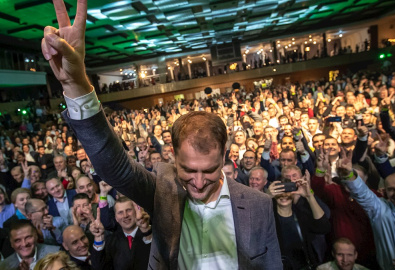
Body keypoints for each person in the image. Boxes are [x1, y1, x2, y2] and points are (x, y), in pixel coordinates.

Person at [42, 1, 282, 268]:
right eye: (188, 170)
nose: (199, 182)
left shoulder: (259, 206)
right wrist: (75, 83)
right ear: (174, 155)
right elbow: (112, 164)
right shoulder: (163, 190)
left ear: (224, 154)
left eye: (209, 170)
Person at [89, 197, 152, 270]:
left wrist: (146, 231)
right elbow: (99, 267)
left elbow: (159, 258)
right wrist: (99, 237)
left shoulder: (150, 232)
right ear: (116, 218)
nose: (125, 215)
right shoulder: (110, 241)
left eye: (128, 210)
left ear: (136, 211)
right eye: (120, 212)